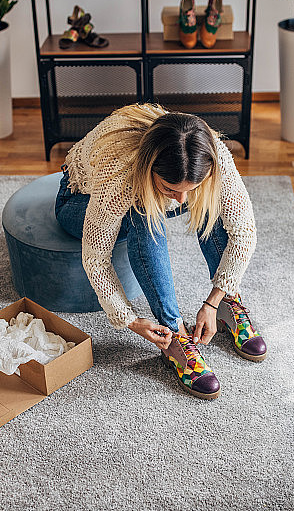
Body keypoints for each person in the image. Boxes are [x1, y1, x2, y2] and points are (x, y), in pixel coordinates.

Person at [54, 103, 263, 400]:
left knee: (213, 200)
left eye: (191, 187)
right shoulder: (120, 174)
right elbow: (95, 258)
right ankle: (173, 332)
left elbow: (244, 232)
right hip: (77, 200)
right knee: (143, 213)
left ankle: (229, 301)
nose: (181, 200)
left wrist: (213, 301)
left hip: (146, 186)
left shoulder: (212, 156)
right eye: (171, 189)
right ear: (151, 170)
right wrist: (129, 319)